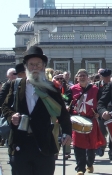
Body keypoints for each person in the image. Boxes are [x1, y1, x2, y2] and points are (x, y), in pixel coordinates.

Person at [1, 46, 72, 175]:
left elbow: (62, 112)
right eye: (31, 64)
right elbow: (5, 106)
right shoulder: (16, 85)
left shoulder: (51, 89)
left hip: (44, 144)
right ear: (26, 67)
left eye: (38, 64)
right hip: (20, 144)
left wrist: (67, 132)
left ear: (43, 66)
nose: (35, 67)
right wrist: (12, 116)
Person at [65, 69, 105, 175]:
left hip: (91, 119)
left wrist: (98, 112)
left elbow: (101, 102)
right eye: (80, 76)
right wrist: (66, 106)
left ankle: (90, 163)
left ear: (88, 77)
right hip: (77, 120)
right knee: (78, 145)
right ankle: (80, 169)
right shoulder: (72, 89)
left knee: (91, 145)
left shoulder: (95, 89)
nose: (82, 77)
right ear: (77, 78)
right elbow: (65, 99)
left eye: (84, 75)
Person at [95, 68, 112, 158]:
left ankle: (111, 149)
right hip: (101, 110)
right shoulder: (97, 86)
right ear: (101, 77)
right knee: (102, 130)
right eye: (105, 77)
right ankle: (102, 148)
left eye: (108, 76)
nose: (107, 78)